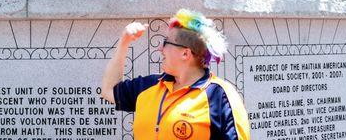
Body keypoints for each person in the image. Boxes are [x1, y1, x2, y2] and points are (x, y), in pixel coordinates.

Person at [101, 9, 250, 140]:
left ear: (185, 53)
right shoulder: (149, 86)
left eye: (166, 42)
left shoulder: (221, 96)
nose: (160, 48)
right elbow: (108, 90)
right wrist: (124, 41)